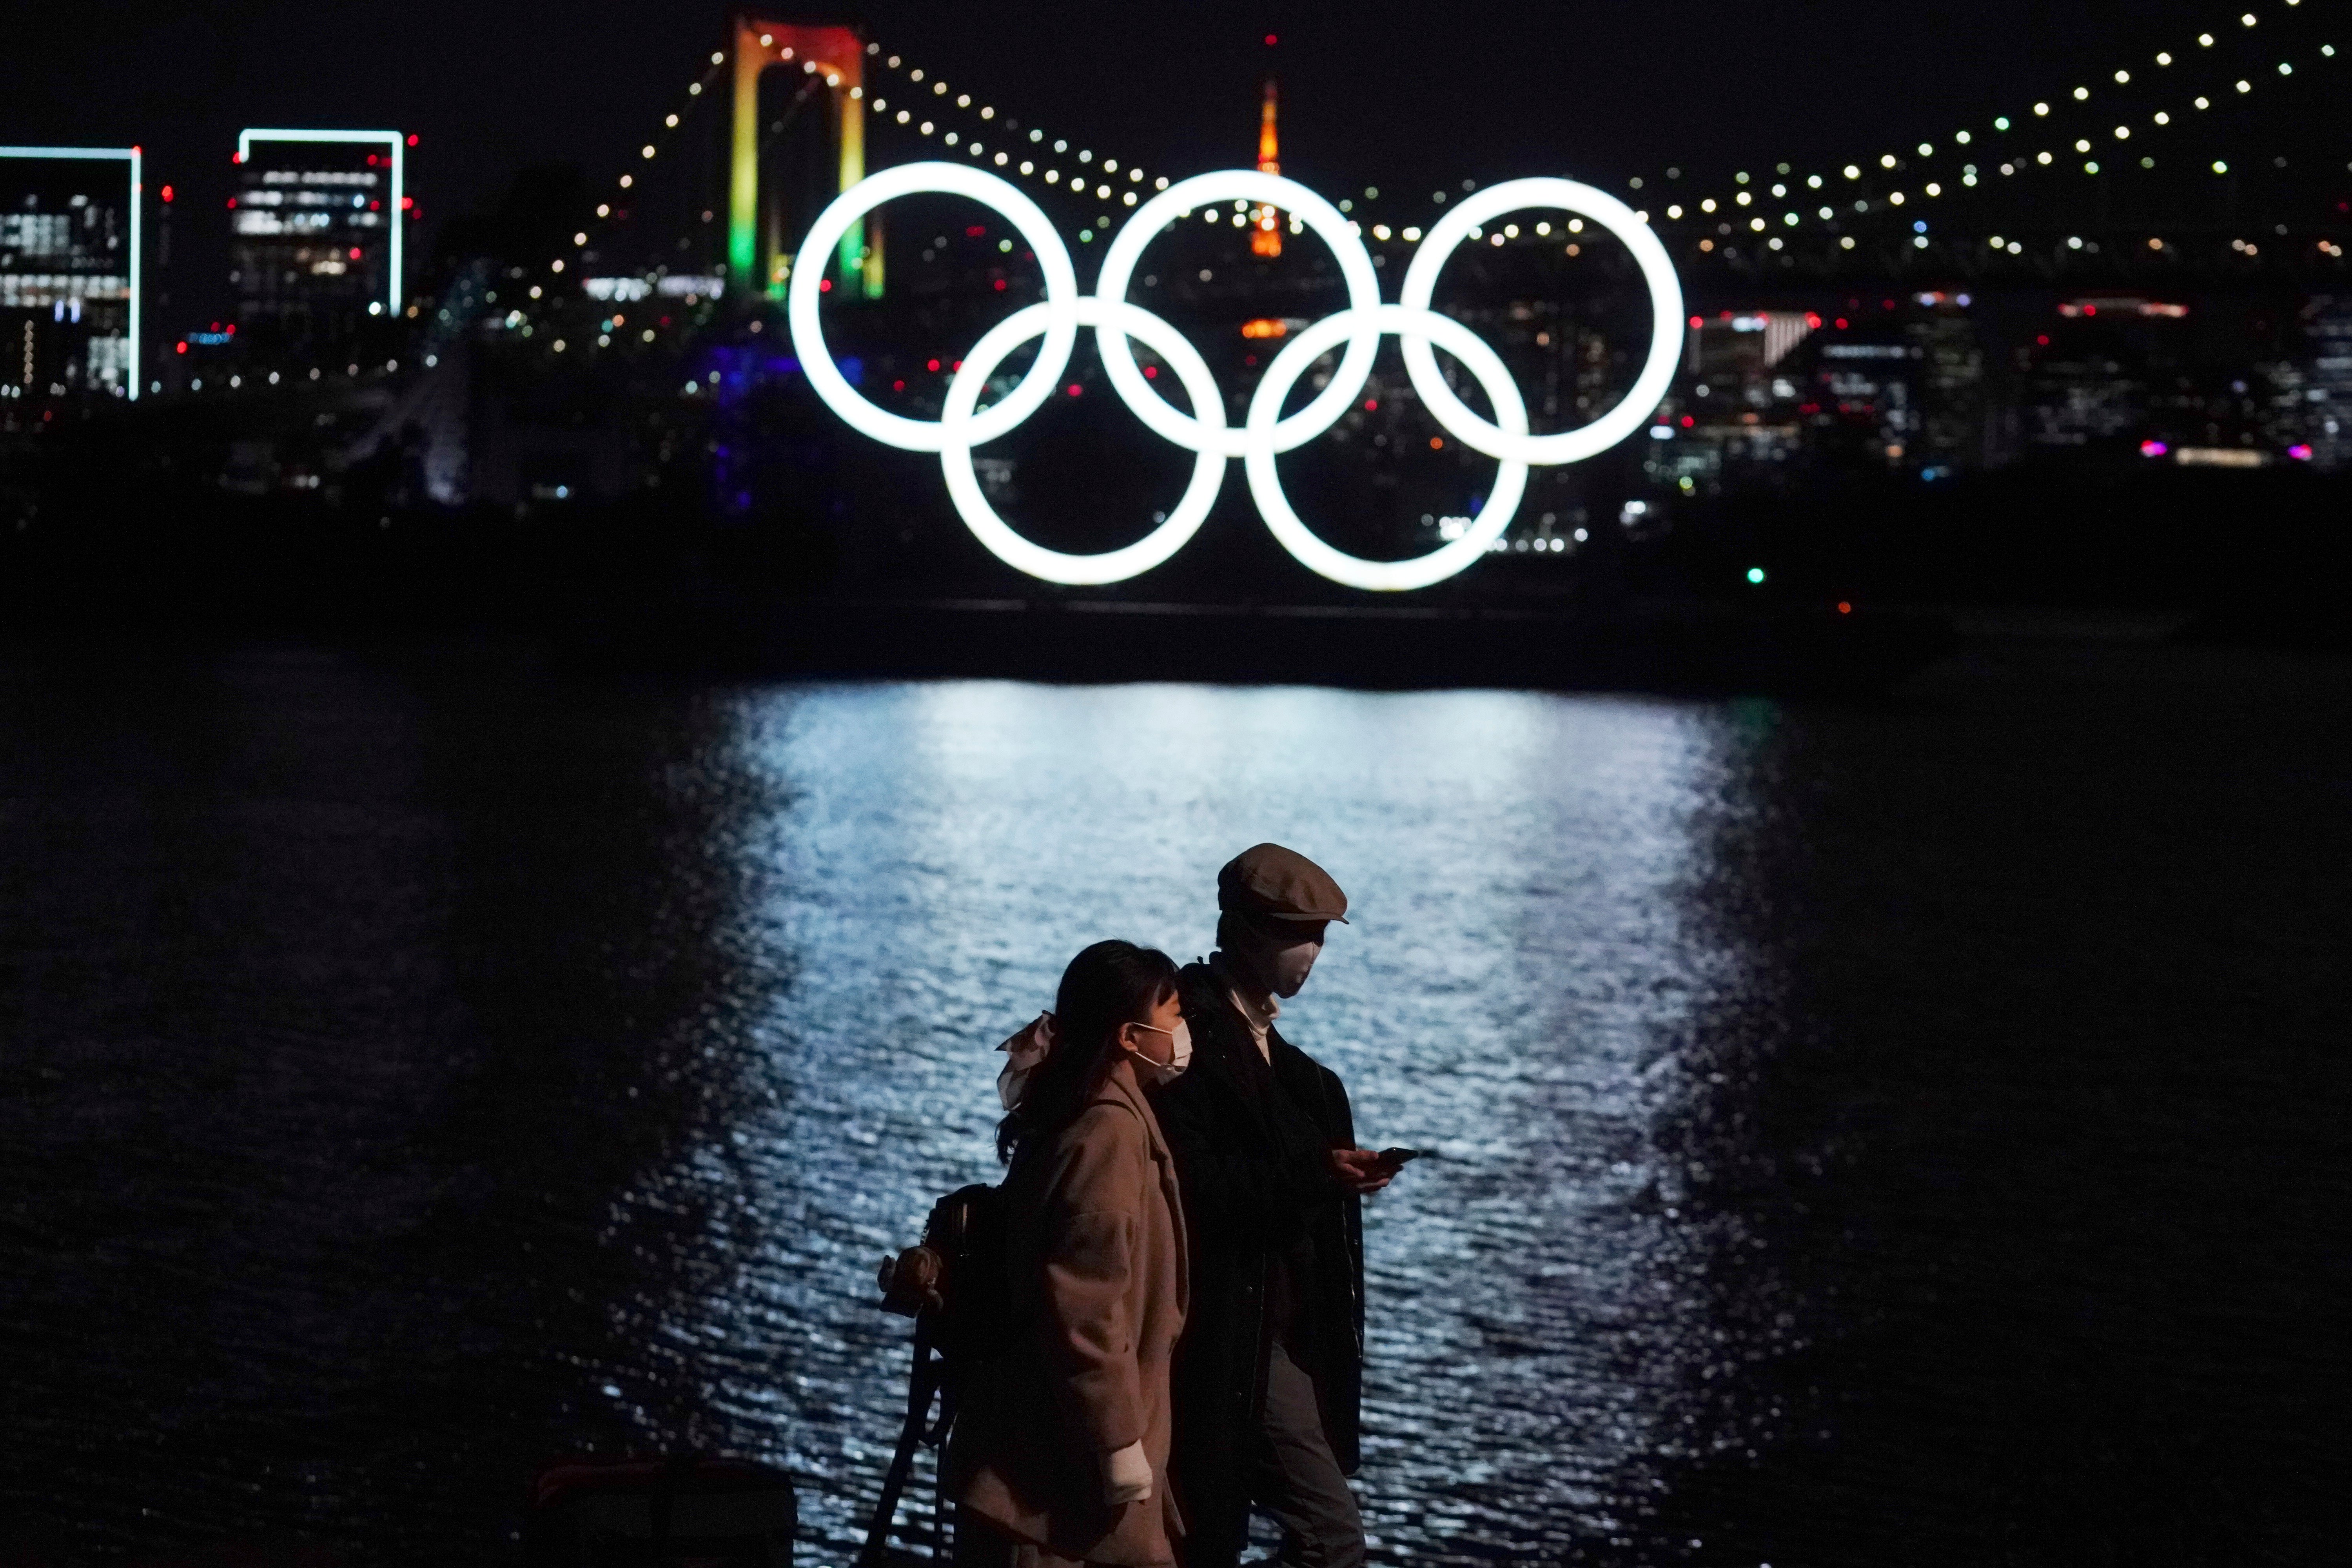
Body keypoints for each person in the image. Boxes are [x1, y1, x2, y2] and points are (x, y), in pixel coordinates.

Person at [1146, 845, 1404, 1568]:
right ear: (1249, 934)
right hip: (1230, 1331)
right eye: (1304, 934)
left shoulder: (1270, 1053)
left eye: (1321, 935)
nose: (1315, 952)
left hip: (1268, 1330)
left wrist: (1329, 1173)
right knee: (1332, 1538)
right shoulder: (1192, 1041)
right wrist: (1318, 1174)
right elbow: (1196, 1186)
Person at [948, 940, 1195, 1568]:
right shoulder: (1109, 1132)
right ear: (1129, 1035)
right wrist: (1117, 1442)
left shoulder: (1078, 1107)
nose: (1182, 1030)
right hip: (1057, 1479)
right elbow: (1085, 1302)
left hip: (1048, 1453)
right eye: (1171, 1014)